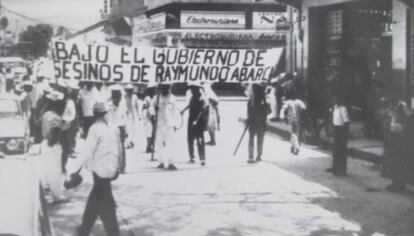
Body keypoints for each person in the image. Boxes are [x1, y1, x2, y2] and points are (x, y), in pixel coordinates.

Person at [68, 101, 122, 236]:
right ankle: (84, 229)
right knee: (96, 199)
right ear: (106, 113)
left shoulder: (94, 129)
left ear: (94, 114)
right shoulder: (114, 128)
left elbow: (86, 152)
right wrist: (119, 166)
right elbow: (120, 148)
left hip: (100, 170)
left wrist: (74, 170)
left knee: (106, 202)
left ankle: (112, 231)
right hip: (111, 168)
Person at [41, 91, 67, 203]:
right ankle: (57, 195)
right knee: (55, 170)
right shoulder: (56, 117)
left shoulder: (46, 114)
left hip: (45, 142)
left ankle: (45, 192)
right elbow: (56, 132)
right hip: (53, 144)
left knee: (46, 170)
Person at [383, 101, 411, 192]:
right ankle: (399, 184)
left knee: (396, 165)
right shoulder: (403, 122)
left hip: (397, 149)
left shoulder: (398, 125)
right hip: (400, 148)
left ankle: (396, 185)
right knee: (399, 166)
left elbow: (392, 130)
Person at [150, 84, 179, 170]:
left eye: (167, 87)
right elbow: (151, 111)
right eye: (163, 87)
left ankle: (171, 163)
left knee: (171, 144)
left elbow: (175, 112)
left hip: (169, 124)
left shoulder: (172, 98)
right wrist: (154, 110)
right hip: (159, 124)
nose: (165, 89)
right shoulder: (156, 98)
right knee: (159, 144)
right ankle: (161, 162)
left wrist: (175, 124)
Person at [182, 82, 208, 166]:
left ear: (196, 88)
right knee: (190, 139)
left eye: (192, 88)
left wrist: (196, 120)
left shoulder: (202, 98)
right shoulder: (193, 97)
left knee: (200, 139)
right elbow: (190, 105)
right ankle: (192, 156)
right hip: (191, 119)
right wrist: (183, 110)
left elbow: (202, 110)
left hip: (198, 121)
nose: (191, 90)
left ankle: (202, 157)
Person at [327, 95, 350, 176]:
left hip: (341, 130)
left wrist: (342, 133)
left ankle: (341, 170)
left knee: (341, 150)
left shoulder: (343, 109)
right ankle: (334, 167)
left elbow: (346, 122)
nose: (334, 101)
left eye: (335, 100)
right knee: (335, 150)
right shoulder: (335, 108)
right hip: (336, 128)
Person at [246, 83, 269, 164]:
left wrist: (249, 120)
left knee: (252, 139)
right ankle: (256, 155)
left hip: (256, 124)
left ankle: (253, 156)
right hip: (259, 124)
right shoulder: (262, 102)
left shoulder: (253, 102)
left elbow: (250, 113)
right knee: (259, 140)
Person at [108, 84, 128, 173]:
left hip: (121, 126)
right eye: (115, 94)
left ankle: (122, 166)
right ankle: (113, 166)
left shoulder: (123, 102)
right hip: (111, 127)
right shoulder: (108, 103)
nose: (117, 96)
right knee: (111, 147)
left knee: (121, 147)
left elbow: (125, 115)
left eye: (118, 94)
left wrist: (126, 128)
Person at [61, 80, 80, 172]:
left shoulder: (71, 102)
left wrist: (66, 122)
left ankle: (63, 166)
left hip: (67, 125)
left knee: (65, 147)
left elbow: (72, 115)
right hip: (61, 124)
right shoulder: (62, 100)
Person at [280, 91, 306, 155]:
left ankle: (296, 147)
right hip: (298, 119)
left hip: (291, 120)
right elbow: (304, 108)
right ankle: (292, 147)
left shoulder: (288, 102)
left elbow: (283, 109)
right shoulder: (299, 102)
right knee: (297, 134)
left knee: (293, 134)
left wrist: (283, 117)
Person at [124, 84, 140, 148]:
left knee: (133, 129)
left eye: (130, 90)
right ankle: (127, 143)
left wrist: (138, 114)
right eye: (128, 90)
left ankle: (131, 141)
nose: (129, 91)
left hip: (133, 114)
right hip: (126, 114)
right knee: (127, 129)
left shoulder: (135, 97)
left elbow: (137, 106)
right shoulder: (124, 97)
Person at [142, 85, 156, 153]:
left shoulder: (155, 98)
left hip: (152, 116)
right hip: (147, 116)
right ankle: (148, 146)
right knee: (149, 131)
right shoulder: (147, 98)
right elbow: (145, 107)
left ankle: (151, 146)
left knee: (153, 132)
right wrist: (150, 115)